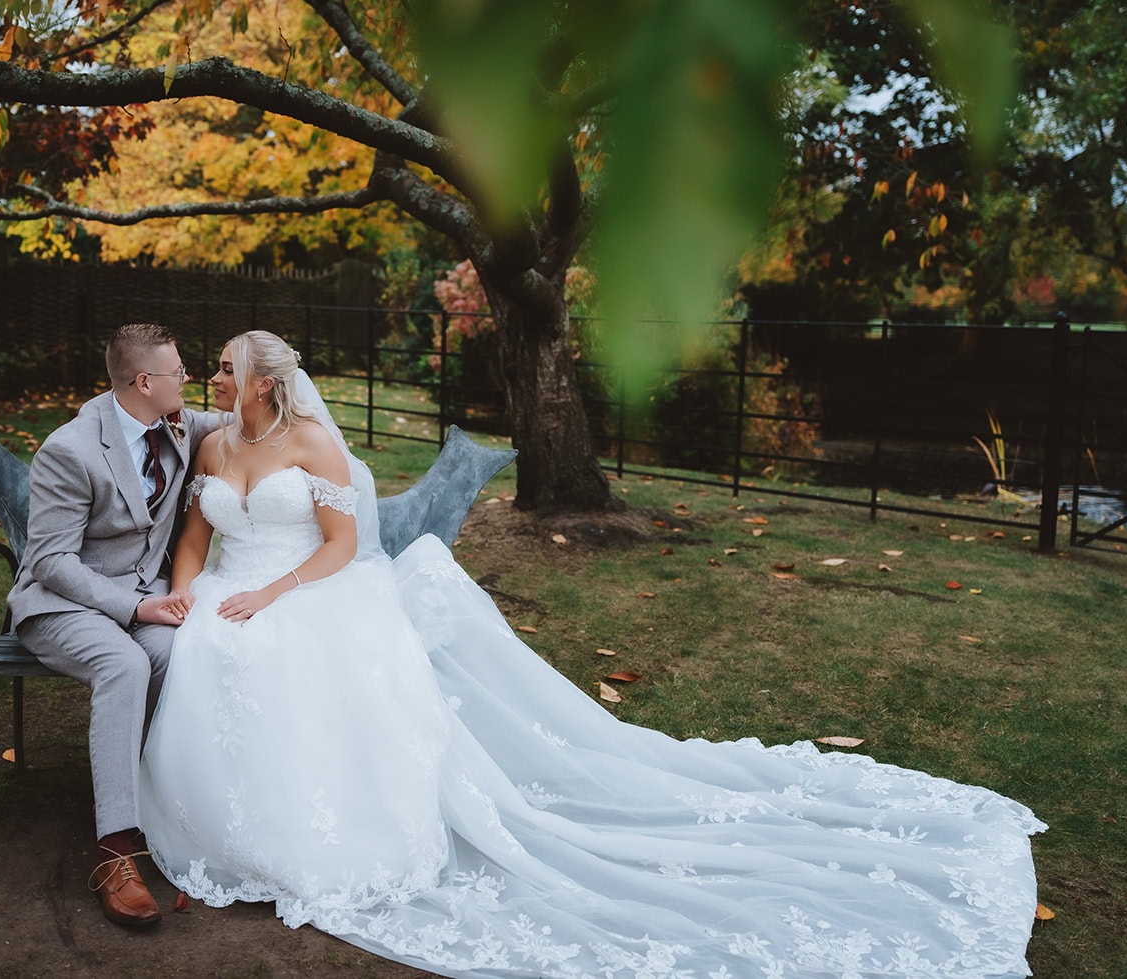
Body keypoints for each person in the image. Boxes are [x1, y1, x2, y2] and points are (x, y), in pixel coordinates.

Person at [138, 330, 1045, 978]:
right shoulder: (214, 445)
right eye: (212, 368)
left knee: (288, 669)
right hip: (230, 593)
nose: (211, 377)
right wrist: (192, 593)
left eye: (222, 366)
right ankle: (229, 837)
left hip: (307, 590)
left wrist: (275, 592)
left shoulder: (312, 441)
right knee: (213, 667)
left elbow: (340, 544)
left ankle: (320, 845)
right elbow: (191, 536)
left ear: (263, 381)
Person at [6, 323, 222, 927]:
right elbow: (50, 561)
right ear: (144, 381)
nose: (191, 378)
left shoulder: (178, 423)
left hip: (145, 595)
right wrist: (134, 609)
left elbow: (248, 424)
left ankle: (152, 803)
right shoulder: (70, 450)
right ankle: (114, 855)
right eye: (180, 370)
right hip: (62, 604)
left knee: (184, 651)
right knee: (124, 663)